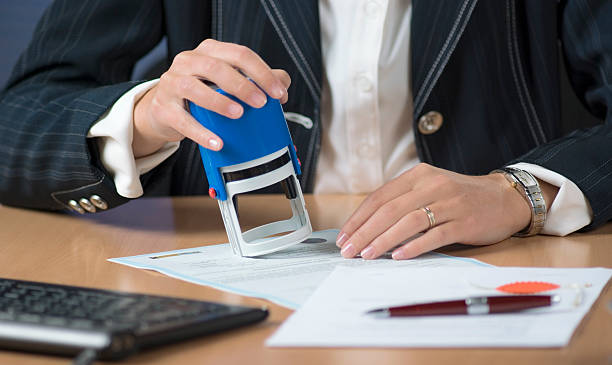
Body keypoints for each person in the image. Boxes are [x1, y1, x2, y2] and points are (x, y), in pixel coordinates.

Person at [0, 0, 610, 260]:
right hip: (241, 292)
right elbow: (17, 119)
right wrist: (142, 119)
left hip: (501, 270)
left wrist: (521, 194)